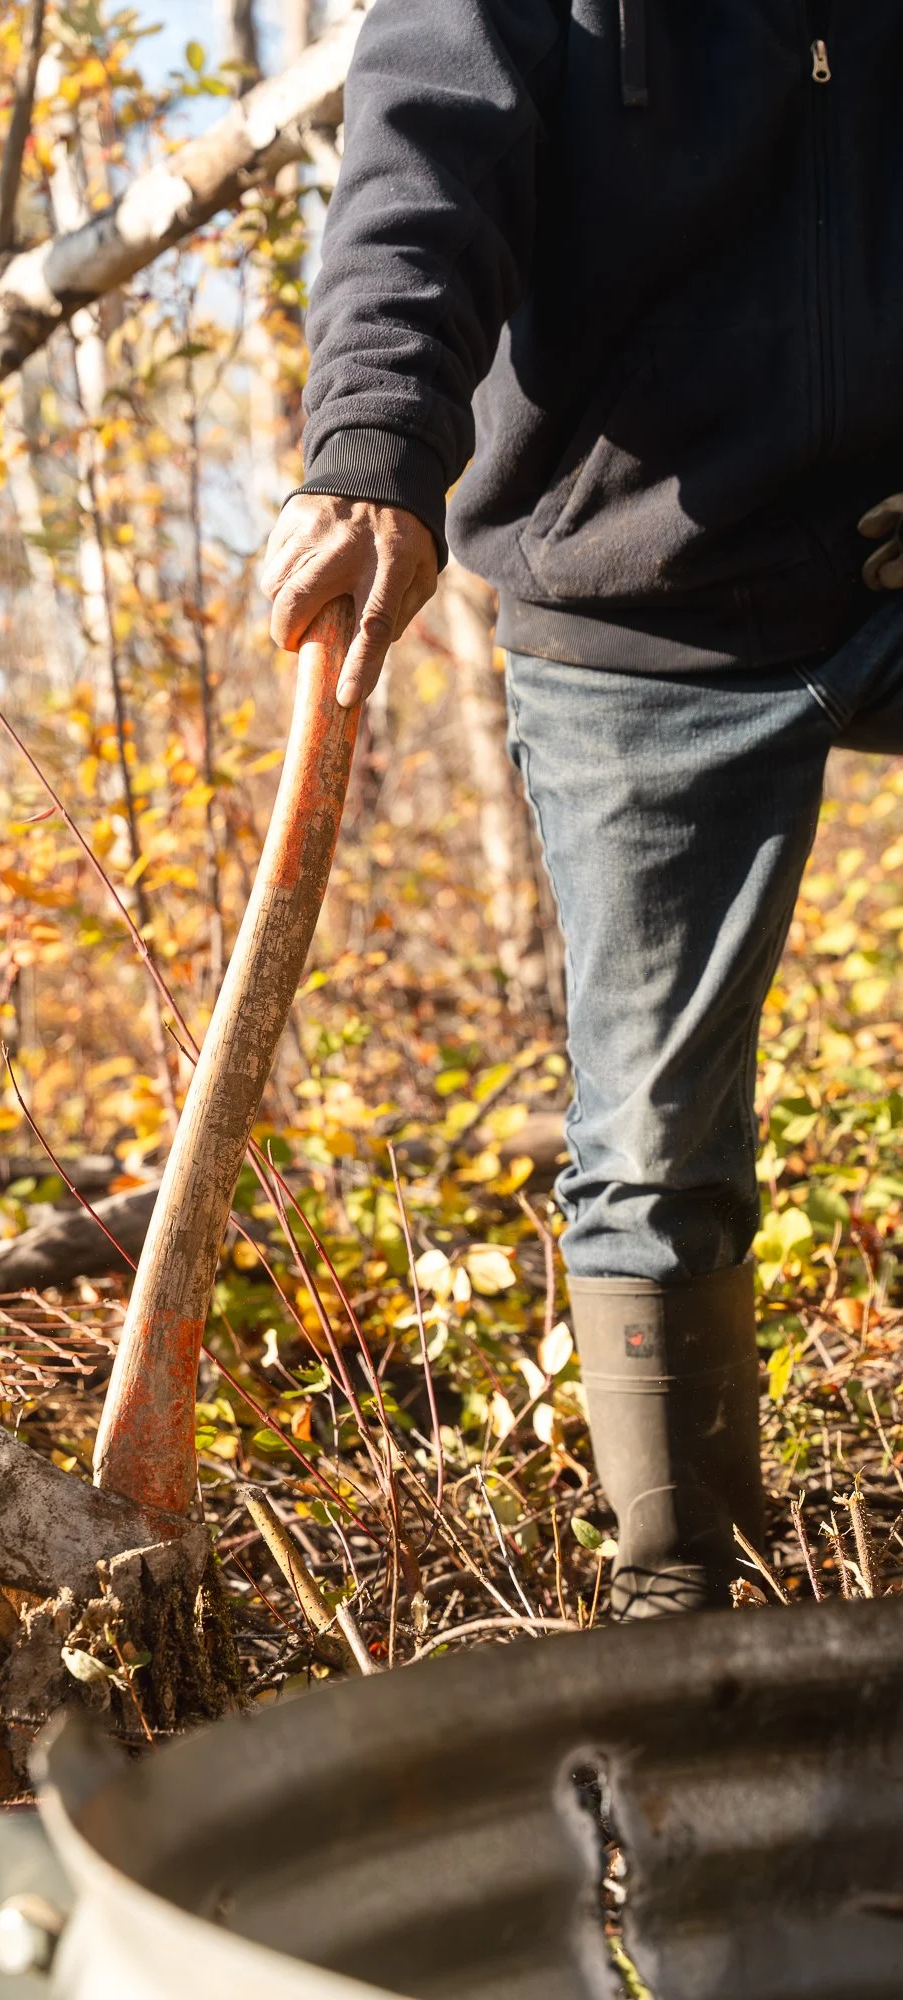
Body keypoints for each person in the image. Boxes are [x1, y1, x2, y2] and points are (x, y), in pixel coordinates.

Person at [261, 0, 903, 1618]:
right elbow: (420, 169)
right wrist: (373, 454)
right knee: (654, 1121)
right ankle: (687, 1598)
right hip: (642, 597)